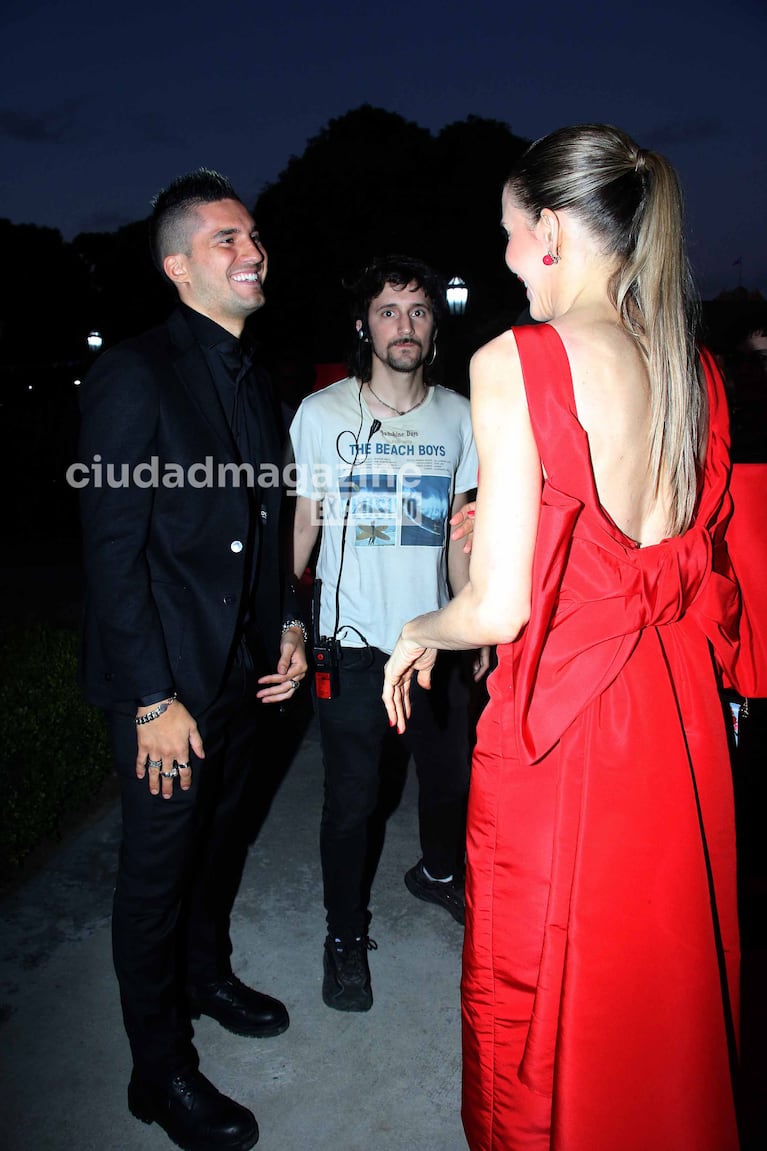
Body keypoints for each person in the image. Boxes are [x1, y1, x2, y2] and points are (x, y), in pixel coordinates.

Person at [382, 125, 752, 1149]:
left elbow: (495, 612)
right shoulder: (699, 369)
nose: (502, 258)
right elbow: (632, 543)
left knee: (545, 994)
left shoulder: (516, 358)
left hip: (569, 727)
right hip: (676, 719)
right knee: (660, 982)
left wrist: (419, 623)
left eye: (506, 234)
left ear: (548, 231)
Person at [77, 168, 307, 1151]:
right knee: (155, 876)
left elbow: (260, 527)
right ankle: (157, 1063)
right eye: (225, 239)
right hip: (167, 688)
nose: (251, 250)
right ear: (177, 266)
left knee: (220, 843)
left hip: (245, 673)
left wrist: (289, 623)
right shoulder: (135, 372)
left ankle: (205, 973)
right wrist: (149, 697)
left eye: (252, 233)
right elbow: (111, 549)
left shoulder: (257, 373)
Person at [288, 254, 489, 1012]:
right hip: (351, 643)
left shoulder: (460, 415)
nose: (402, 325)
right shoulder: (321, 414)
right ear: (362, 325)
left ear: (434, 325)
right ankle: (344, 936)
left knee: (452, 780)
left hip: (434, 638)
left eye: (417, 310)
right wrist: (290, 619)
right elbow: (303, 521)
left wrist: (471, 623)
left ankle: (436, 872)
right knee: (351, 800)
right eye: (386, 310)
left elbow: (457, 530)